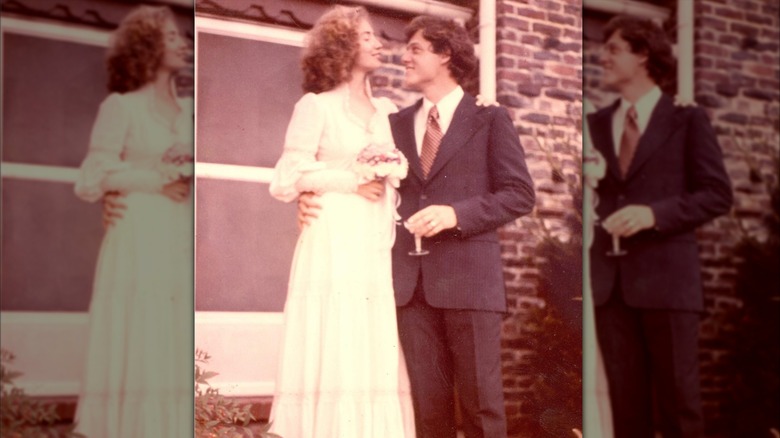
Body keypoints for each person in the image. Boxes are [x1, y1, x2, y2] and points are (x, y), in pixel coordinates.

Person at [300, 15, 535, 438]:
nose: (402, 56)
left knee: (482, 409)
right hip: (408, 288)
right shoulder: (390, 124)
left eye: (416, 49)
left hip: (470, 284)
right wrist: (310, 197)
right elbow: (349, 173)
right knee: (428, 414)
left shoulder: (488, 117)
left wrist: (456, 215)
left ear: (445, 55)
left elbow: (519, 194)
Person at [267, 6, 415, 437]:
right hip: (332, 234)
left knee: (370, 333)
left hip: (373, 239)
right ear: (343, 45)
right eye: (366, 35)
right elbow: (287, 176)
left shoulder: (389, 110)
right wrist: (352, 180)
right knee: (335, 328)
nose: (377, 42)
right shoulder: (316, 106)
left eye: (375, 36)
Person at [587, 16, 732, 438]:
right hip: (610, 287)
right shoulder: (594, 125)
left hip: (668, 284)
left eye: (614, 49)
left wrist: (654, 214)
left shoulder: (686, 120)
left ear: (644, 54)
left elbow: (717, 193)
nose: (602, 57)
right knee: (626, 412)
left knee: (678, 409)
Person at [73, 5, 193, 437]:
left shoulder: (192, 111)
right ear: (146, 45)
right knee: (139, 328)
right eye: (173, 36)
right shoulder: (121, 106)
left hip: (179, 233)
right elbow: (91, 177)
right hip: (138, 232)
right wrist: (157, 179)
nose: (184, 43)